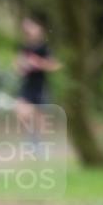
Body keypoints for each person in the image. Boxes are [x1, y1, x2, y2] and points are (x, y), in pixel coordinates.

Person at [14, 13, 61, 148]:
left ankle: (38, 144)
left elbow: (55, 66)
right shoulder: (24, 47)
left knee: (39, 117)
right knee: (21, 113)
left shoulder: (44, 48)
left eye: (30, 26)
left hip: (40, 86)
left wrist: (39, 63)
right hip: (26, 86)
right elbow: (17, 67)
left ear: (38, 29)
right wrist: (22, 66)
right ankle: (31, 140)